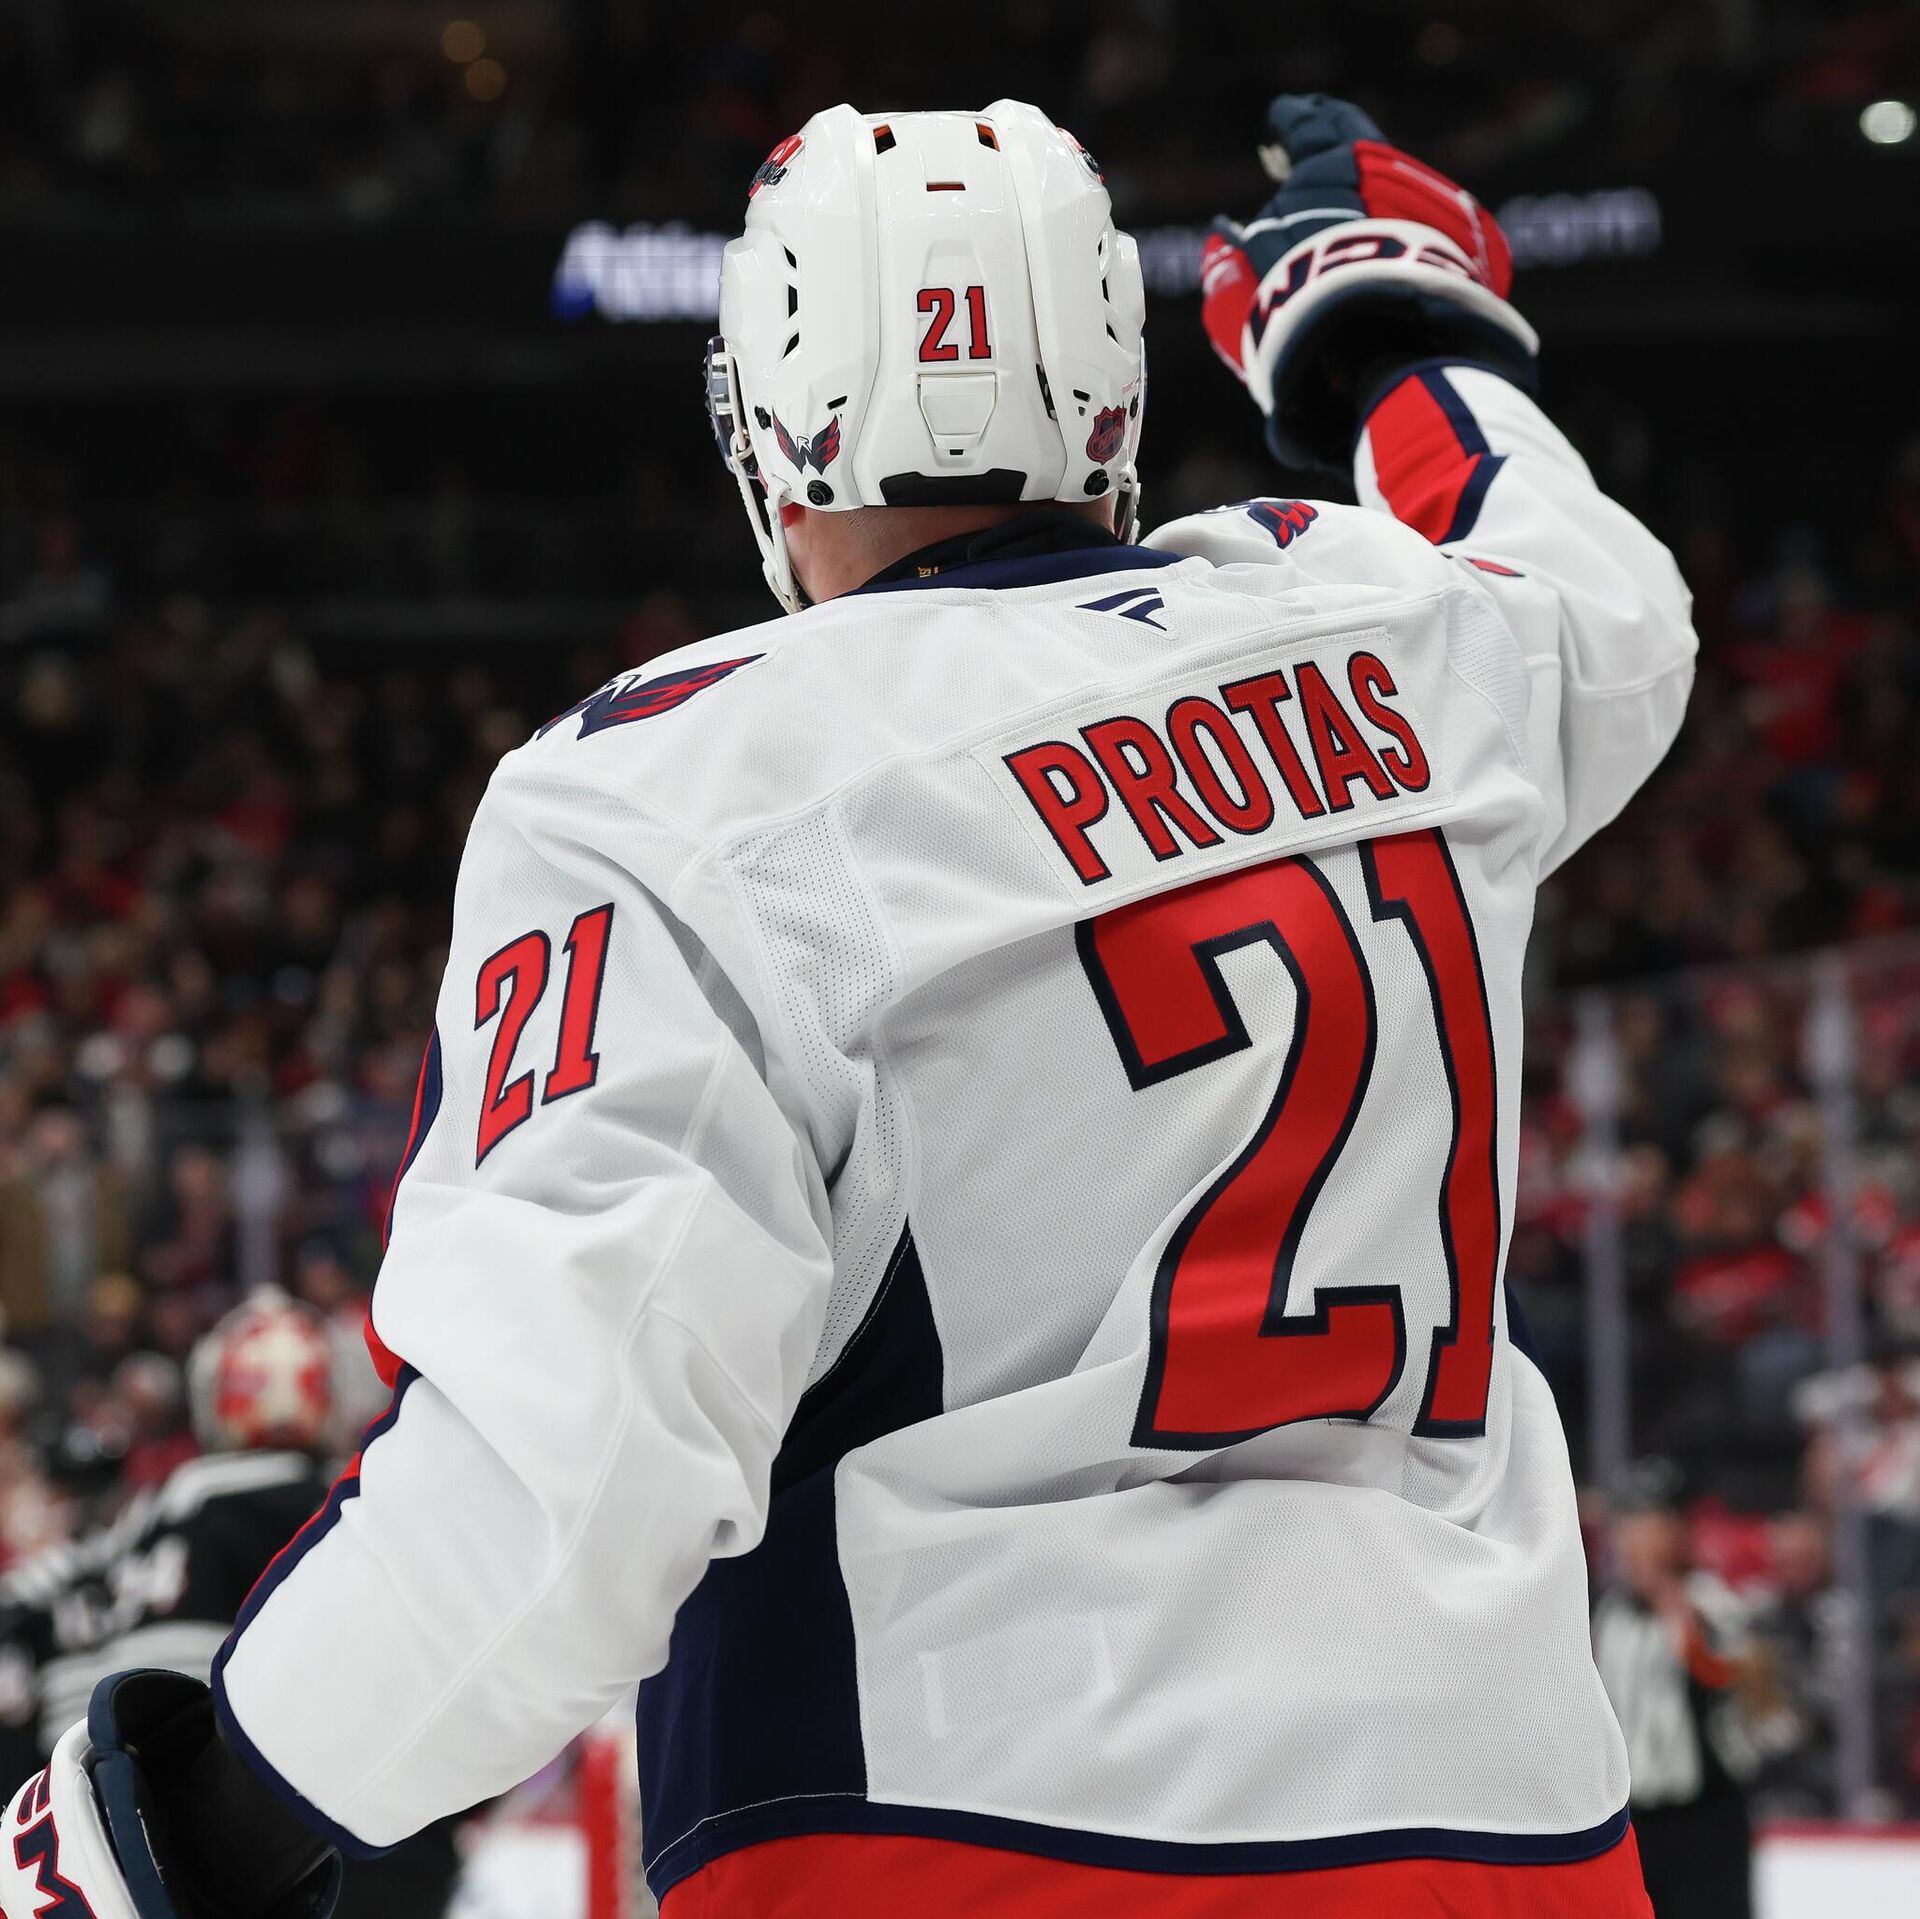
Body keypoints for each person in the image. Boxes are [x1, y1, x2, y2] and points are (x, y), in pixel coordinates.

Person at [1, 92, 1694, 1919]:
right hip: (1516, 1831)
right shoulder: (1393, 632)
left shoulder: (678, 792)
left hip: (969, 1835)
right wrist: (1389, 333)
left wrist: (201, 1818)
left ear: (768, 425)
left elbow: (560, 1490)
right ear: (1110, 386)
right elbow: (1603, 602)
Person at [1593, 1468, 1758, 1918]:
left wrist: (1677, 1613)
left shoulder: (1712, 1604)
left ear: (1679, 1534)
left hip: (1704, 1819)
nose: (1636, 1543)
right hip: (1630, 1821)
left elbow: (1728, 1680)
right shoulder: (1604, 1612)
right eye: (1629, 1528)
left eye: (1651, 1527)